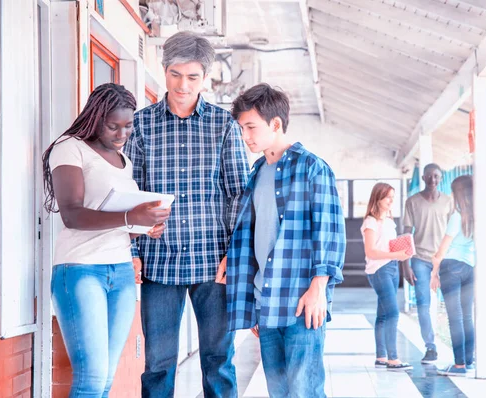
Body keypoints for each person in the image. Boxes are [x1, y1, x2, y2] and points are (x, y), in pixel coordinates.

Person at [124, 31, 249, 398]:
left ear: (205, 78)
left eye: (193, 77)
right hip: (159, 263)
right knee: (159, 364)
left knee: (219, 361)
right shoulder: (142, 124)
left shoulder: (223, 125)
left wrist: (235, 253)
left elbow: (238, 194)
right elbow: (130, 193)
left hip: (214, 264)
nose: (183, 85)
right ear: (164, 71)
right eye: (176, 74)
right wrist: (131, 250)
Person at [43, 83, 171, 397]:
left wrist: (143, 226)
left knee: (105, 380)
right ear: (95, 117)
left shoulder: (123, 160)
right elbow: (71, 214)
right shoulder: (69, 147)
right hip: (80, 270)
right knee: (91, 377)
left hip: (122, 273)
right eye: (113, 126)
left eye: (128, 127)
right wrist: (130, 219)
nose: (121, 134)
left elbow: (113, 219)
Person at [225, 83, 346, 397]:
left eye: (251, 127)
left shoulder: (312, 168)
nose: (246, 136)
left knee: (304, 391)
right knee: (278, 392)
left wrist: (319, 288)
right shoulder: (255, 173)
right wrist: (253, 306)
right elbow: (251, 238)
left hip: (301, 301)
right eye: (242, 128)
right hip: (267, 303)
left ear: (275, 124)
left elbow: (330, 231)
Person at [401, 163, 452, 363]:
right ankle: (430, 347)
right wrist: (405, 265)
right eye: (429, 176)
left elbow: (453, 233)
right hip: (420, 260)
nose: (433, 180)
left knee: (450, 305)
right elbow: (406, 233)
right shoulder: (412, 202)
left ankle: (457, 348)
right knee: (423, 304)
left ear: (441, 179)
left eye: (436, 176)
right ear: (423, 178)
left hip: (444, 259)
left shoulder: (449, 202)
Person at [362, 183, 413, 371]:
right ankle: (393, 359)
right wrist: (396, 256)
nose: (391, 201)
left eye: (393, 197)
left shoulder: (390, 222)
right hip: (379, 270)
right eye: (388, 197)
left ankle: (381, 356)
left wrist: (403, 251)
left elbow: (388, 246)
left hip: (392, 268)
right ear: (378, 199)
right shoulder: (370, 222)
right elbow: (371, 251)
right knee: (393, 312)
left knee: (383, 315)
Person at [431, 175, 475, 377]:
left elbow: (442, 250)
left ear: (457, 193)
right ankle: (468, 361)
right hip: (470, 268)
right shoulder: (479, 215)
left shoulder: (457, 216)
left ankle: (458, 366)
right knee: (466, 316)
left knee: (455, 318)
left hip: (452, 267)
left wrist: (434, 272)